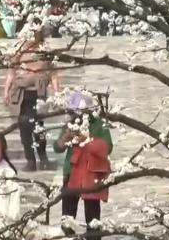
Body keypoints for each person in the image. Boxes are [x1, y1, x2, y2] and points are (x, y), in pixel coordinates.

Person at [54, 93, 112, 239]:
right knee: (67, 215)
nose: (78, 115)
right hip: (71, 172)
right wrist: (65, 137)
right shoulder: (70, 124)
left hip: (91, 173)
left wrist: (88, 140)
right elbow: (57, 147)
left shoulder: (98, 123)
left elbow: (108, 147)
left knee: (92, 215)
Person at [4, 30, 60, 172]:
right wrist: (6, 91)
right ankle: (30, 160)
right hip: (22, 94)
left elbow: (53, 73)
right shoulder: (19, 50)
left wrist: (57, 92)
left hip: (38, 93)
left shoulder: (46, 50)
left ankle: (43, 159)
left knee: (38, 127)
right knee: (24, 127)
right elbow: (11, 72)